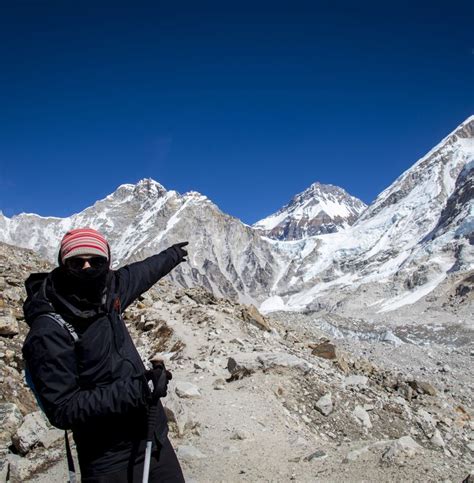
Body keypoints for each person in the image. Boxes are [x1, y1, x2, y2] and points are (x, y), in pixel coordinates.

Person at [22, 227, 188, 482]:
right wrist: (137, 390)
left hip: (152, 439)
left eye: (96, 261)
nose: (88, 268)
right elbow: (63, 409)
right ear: (63, 264)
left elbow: (142, 272)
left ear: (107, 263)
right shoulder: (48, 329)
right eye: (77, 262)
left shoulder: (109, 293)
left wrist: (173, 255)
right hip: (106, 458)